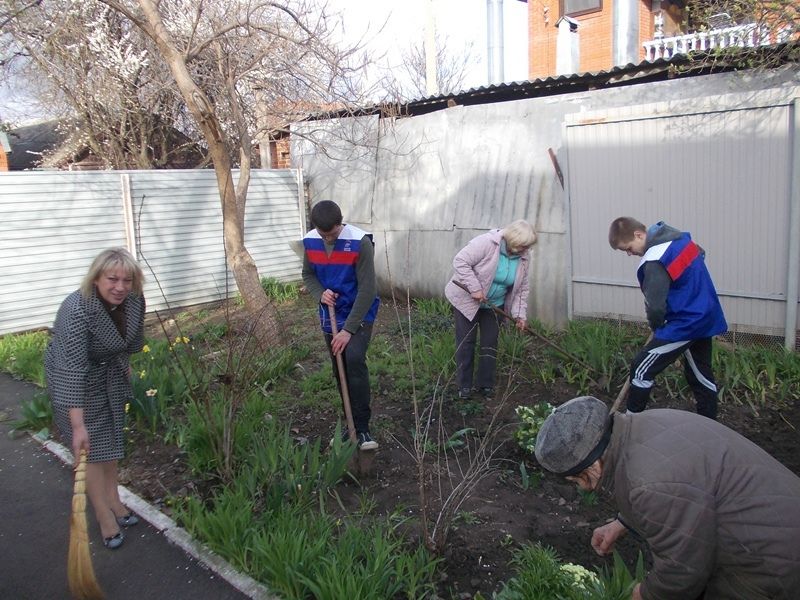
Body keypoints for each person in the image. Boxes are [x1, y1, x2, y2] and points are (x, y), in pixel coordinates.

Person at [535, 396, 800, 600]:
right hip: (780, 515)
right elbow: (682, 492)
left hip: (772, 560)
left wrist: (645, 594)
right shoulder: (646, 424)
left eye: (577, 479)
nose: (582, 487)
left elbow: (684, 571)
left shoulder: (648, 483)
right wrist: (622, 523)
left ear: (590, 465)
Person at [45, 247, 146, 550]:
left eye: (127, 280)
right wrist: (77, 426)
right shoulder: (77, 309)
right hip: (73, 380)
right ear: (96, 279)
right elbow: (72, 369)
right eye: (112, 279)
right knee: (91, 451)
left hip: (110, 372)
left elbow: (131, 341)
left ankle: (114, 500)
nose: (120, 287)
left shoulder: (134, 300)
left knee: (110, 441)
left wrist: (124, 364)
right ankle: (103, 516)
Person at [608, 217, 727, 419]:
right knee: (701, 375)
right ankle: (709, 425)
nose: (629, 253)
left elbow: (655, 306)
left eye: (628, 248)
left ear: (639, 235)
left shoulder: (655, 259)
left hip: (686, 323)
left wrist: (657, 327)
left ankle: (630, 424)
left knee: (641, 368)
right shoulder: (680, 240)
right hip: (705, 315)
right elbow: (701, 254)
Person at [302, 200, 380, 450]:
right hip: (331, 313)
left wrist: (348, 330)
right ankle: (350, 425)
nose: (328, 239)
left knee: (354, 361)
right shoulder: (310, 241)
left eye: (333, 234)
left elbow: (368, 289)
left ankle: (363, 429)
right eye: (323, 234)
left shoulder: (359, 242)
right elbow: (308, 274)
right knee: (340, 367)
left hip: (359, 311)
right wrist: (320, 294)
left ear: (340, 223)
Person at [444, 220, 537, 399]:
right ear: (514, 240)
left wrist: (519, 315)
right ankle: (464, 386)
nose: (527, 250)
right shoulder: (487, 243)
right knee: (466, 342)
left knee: (490, 343)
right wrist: (475, 288)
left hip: (495, 304)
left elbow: (522, 288)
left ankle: (485, 385)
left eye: (528, 246)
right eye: (524, 245)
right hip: (467, 300)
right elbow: (460, 261)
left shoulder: (524, 257)